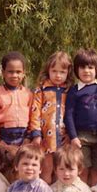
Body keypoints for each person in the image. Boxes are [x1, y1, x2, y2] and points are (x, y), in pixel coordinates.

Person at [64, 48, 97, 186]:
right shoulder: (74, 90)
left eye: (90, 67)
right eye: (82, 67)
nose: (86, 71)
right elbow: (69, 115)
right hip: (81, 137)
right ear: (76, 70)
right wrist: (73, 137)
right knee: (82, 169)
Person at [29, 51, 75, 184]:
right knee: (46, 170)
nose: (58, 75)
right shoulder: (41, 89)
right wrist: (36, 134)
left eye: (62, 72)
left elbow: (73, 113)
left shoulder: (70, 90)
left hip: (63, 138)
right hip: (46, 139)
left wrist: (71, 135)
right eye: (54, 71)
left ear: (68, 73)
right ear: (48, 70)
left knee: (61, 170)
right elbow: (35, 111)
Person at [0, 51, 32, 147]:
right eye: (10, 72)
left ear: (24, 73)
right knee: (6, 161)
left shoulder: (28, 94)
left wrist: (29, 137)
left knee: (23, 161)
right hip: (4, 137)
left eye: (18, 72)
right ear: (3, 72)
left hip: (25, 137)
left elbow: (33, 116)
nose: (14, 75)